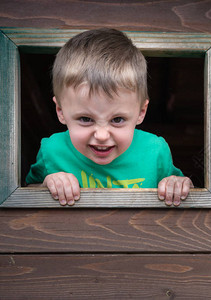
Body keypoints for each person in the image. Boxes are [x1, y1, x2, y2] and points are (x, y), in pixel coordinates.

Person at [26, 28, 193, 207]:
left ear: (141, 112)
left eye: (117, 119)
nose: (102, 135)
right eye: (85, 119)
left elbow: (186, 190)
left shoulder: (155, 151)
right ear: (60, 111)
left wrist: (179, 184)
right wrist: (47, 185)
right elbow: (23, 194)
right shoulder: (52, 151)